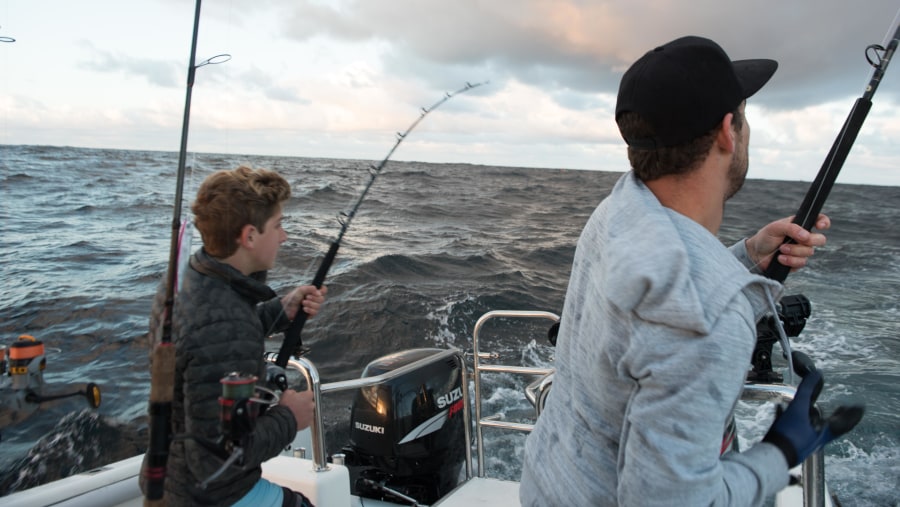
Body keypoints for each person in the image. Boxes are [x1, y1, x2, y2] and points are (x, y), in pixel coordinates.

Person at [520, 36, 863, 506]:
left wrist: (745, 258)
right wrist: (781, 450)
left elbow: (663, 297)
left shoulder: (616, 213)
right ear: (728, 130)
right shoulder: (707, 315)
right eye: (744, 115)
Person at [144, 166, 327, 506]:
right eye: (278, 225)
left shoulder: (189, 279)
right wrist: (290, 417)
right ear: (250, 236)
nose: (284, 236)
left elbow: (217, 334)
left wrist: (281, 310)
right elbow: (219, 462)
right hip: (212, 495)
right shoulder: (225, 322)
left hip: (170, 479)